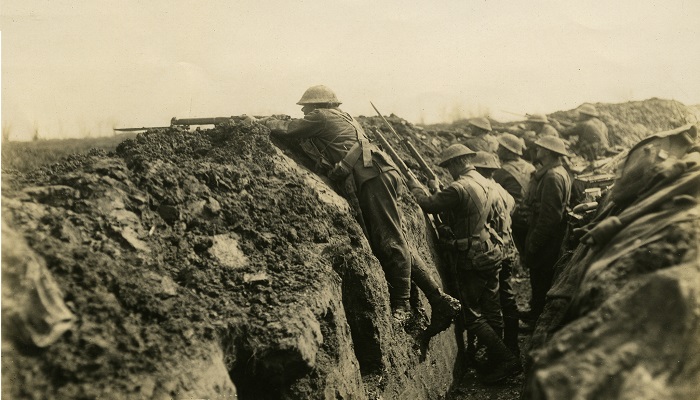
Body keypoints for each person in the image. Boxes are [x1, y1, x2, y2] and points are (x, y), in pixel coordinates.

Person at [264, 85, 461, 330]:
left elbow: (285, 128)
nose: (304, 111)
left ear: (318, 106)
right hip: (377, 174)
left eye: (307, 106)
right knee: (396, 238)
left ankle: (403, 306)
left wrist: (256, 122)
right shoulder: (342, 117)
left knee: (390, 240)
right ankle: (437, 298)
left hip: (372, 177)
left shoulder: (322, 117)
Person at [406, 144, 521, 384]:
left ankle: (506, 360)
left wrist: (416, 188)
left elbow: (428, 204)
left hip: (473, 258)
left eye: (449, 166)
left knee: (470, 315)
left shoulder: (460, 186)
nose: (449, 171)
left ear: (458, 163)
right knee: (492, 309)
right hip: (492, 252)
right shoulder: (489, 183)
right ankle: (496, 359)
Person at [471, 151, 521, 359]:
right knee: (506, 299)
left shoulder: (483, 191)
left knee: (492, 303)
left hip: (495, 252)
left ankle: (501, 355)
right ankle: (511, 345)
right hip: (508, 249)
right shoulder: (501, 190)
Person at [521, 136, 572, 327]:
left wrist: (535, 241)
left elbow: (550, 216)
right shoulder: (559, 172)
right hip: (551, 237)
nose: (537, 150)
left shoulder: (552, 176)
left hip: (547, 239)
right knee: (541, 278)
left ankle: (537, 320)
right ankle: (535, 312)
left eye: (540, 148)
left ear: (548, 152)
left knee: (541, 278)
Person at [492, 133, 536, 255]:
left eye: (501, 147)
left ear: (508, 152)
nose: (497, 149)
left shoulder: (501, 171)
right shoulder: (530, 166)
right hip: (531, 214)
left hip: (514, 217)